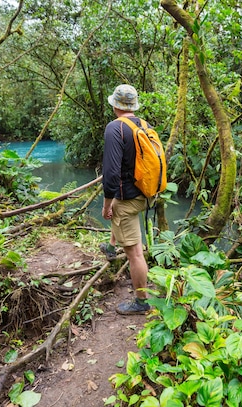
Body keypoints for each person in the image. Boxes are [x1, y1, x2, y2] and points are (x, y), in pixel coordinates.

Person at [101, 84, 151, 315]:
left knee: (135, 254)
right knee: (120, 213)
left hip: (127, 198)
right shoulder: (143, 125)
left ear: (115, 105)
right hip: (145, 193)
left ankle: (141, 301)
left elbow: (111, 175)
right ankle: (111, 248)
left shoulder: (115, 128)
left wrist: (106, 204)